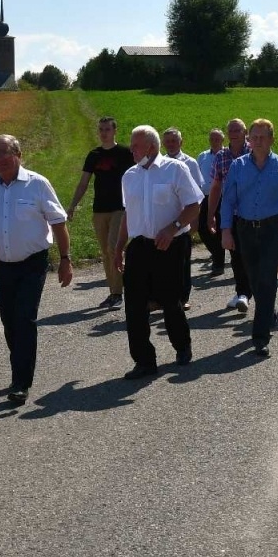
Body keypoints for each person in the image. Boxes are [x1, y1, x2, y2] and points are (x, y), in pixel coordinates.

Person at [0, 135, 73, 406]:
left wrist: (66, 258)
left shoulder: (37, 184)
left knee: (24, 319)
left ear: (18, 154)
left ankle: (21, 381)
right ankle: (21, 363)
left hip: (32, 263)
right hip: (2, 267)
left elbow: (58, 223)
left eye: (4, 153)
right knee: (10, 321)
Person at [115, 126, 202, 378]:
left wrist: (173, 228)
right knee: (134, 304)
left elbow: (193, 206)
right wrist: (119, 248)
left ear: (152, 147)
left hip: (170, 245)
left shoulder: (175, 169)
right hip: (139, 247)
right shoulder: (129, 176)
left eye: (136, 145)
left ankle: (182, 346)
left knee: (170, 301)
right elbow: (127, 215)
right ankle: (144, 360)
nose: (131, 150)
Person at [220, 119, 278, 358]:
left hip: (271, 229)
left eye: (262, 137)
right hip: (244, 229)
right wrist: (226, 230)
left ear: (271, 140)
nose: (257, 141)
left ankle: (260, 337)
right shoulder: (238, 166)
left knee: (266, 279)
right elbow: (228, 200)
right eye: (253, 136)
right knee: (254, 279)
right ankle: (268, 313)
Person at [67, 116, 134, 310]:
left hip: (120, 208)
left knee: (114, 247)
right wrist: (72, 206)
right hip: (99, 209)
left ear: (114, 131)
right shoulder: (93, 155)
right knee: (106, 252)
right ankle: (115, 292)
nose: (103, 133)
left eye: (107, 129)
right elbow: (83, 183)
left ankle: (121, 290)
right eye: (101, 129)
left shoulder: (125, 153)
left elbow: (135, 178)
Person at [207, 118, 253, 313]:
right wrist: (210, 214)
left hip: (254, 213)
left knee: (252, 254)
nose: (234, 132)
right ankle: (242, 292)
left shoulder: (254, 152)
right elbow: (216, 187)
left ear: (244, 132)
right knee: (235, 253)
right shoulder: (221, 156)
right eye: (231, 130)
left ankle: (252, 292)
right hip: (231, 213)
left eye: (238, 129)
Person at [161, 127, 203, 310]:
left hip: (184, 217)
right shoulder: (159, 163)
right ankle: (163, 297)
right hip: (164, 218)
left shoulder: (190, 163)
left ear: (181, 142)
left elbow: (196, 194)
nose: (170, 144)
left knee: (183, 262)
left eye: (174, 140)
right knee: (163, 262)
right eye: (167, 141)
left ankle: (183, 297)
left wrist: (193, 219)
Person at [196, 128, 225, 274]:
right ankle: (217, 252)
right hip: (205, 197)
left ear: (222, 140)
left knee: (219, 229)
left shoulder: (226, 156)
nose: (214, 141)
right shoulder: (202, 156)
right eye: (212, 139)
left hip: (223, 197)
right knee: (202, 227)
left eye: (217, 139)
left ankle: (218, 263)